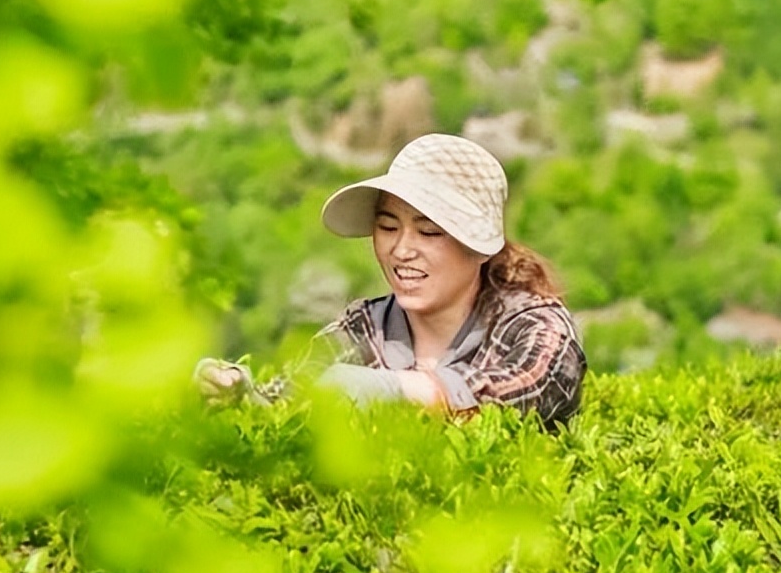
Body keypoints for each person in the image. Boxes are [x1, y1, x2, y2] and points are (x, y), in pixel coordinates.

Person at [195, 133, 586, 426]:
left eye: (429, 232)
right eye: (387, 226)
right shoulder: (363, 328)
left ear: (480, 248)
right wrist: (236, 392)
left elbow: (540, 385)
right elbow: (288, 405)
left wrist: (400, 391)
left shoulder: (533, 325)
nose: (401, 250)